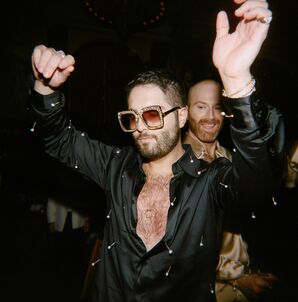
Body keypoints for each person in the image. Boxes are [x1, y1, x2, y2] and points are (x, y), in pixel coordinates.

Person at [29, 1, 284, 301]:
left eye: (152, 114)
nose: (140, 126)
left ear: (181, 117)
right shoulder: (116, 166)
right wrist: (45, 87)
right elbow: (58, 139)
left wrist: (238, 81)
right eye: (132, 117)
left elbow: (259, 179)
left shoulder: (211, 180)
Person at [184, 79, 279, 302]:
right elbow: (182, 250)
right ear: (184, 112)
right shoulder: (175, 163)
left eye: (217, 108)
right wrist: (238, 280)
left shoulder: (231, 159)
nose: (210, 117)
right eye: (200, 107)